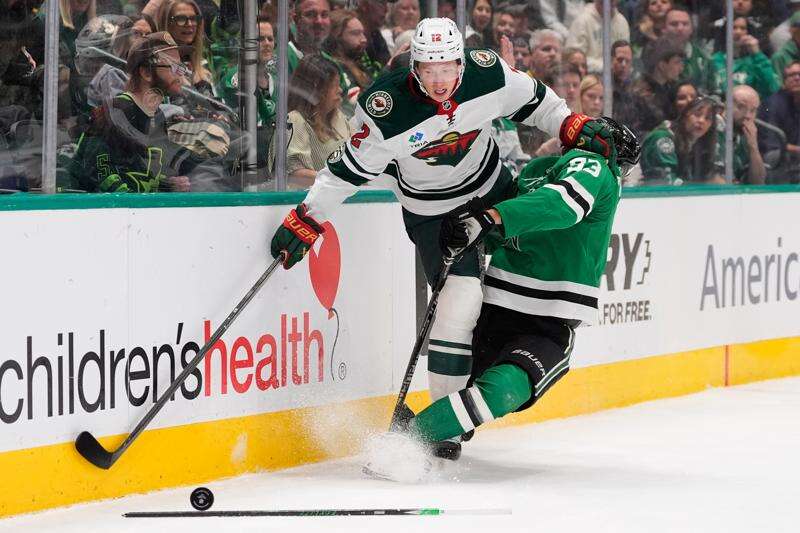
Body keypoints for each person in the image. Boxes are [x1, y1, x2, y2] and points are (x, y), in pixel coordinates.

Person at [269, 18, 617, 460]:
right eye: (428, 70)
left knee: (525, 262)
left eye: (447, 69)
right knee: (459, 303)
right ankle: (444, 428)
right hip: (433, 213)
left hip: (492, 188)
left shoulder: (487, 73)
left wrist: (569, 124)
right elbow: (344, 173)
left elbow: (536, 100)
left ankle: (473, 389)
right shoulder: (386, 109)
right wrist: (308, 217)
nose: (439, 80)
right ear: (414, 66)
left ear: (461, 64)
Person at [363, 118, 642, 480]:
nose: (619, 173)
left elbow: (554, 208)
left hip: (526, 317)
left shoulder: (557, 171)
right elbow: (543, 210)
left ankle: (413, 436)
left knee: (494, 389)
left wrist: (487, 219)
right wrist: (473, 228)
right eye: (622, 163)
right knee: (491, 392)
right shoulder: (586, 164)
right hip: (513, 311)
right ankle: (422, 436)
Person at [63, 31, 191, 192]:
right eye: (172, 66)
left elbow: (138, 174)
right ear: (146, 72)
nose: (181, 74)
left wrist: (166, 186)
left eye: (181, 67)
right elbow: (97, 175)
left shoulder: (157, 116)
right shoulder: (114, 114)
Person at [280, 54, 350, 190]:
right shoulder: (295, 120)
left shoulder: (338, 117)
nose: (340, 90)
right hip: (309, 199)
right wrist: (339, 179)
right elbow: (295, 174)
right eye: (335, 85)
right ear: (317, 89)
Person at [640, 95, 724, 184]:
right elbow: (666, 180)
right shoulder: (663, 138)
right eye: (697, 114)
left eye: (708, 118)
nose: (701, 121)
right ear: (685, 115)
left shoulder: (699, 145)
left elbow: (711, 178)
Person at [712, 16, 779, 100]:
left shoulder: (756, 61)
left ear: (748, 32)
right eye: (733, 27)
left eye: (743, 28)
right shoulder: (715, 60)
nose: (738, 32)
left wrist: (757, 53)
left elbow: (772, 88)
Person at [758, 60, 800, 178]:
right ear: (784, 81)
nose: (797, 78)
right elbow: (771, 145)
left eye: (799, 74)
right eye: (792, 75)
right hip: (776, 158)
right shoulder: (772, 104)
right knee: (777, 155)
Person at [566, 0, 630, 74]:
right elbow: (573, 60)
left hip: (616, 76)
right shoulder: (582, 21)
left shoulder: (622, 22)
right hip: (588, 76)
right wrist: (605, 67)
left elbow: (626, 57)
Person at [662, 7, 715, 93]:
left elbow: (713, 92)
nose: (680, 28)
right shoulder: (653, 56)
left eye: (685, 24)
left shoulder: (704, 59)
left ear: (691, 29)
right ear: (664, 29)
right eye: (674, 24)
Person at [723, 84, 766, 184]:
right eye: (741, 107)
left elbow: (758, 182)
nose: (747, 116)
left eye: (753, 110)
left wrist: (753, 147)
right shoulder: (711, 131)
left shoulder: (745, 136)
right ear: (726, 105)